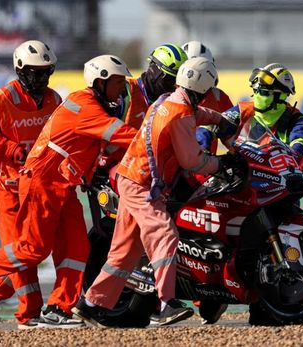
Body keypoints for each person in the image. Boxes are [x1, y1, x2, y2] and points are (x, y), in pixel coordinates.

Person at [0, 54, 139, 329]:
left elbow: (96, 145)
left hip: (65, 185)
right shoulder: (85, 105)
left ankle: (58, 308)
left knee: (78, 248)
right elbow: (121, 135)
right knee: (33, 250)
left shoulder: (74, 101)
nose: (121, 89)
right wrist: (158, 135)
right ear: (100, 82)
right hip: (42, 181)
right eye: (117, 82)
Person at [72, 57, 237, 328]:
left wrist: (218, 119)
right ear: (204, 89)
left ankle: (89, 304)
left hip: (131, 178)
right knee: (164, 233)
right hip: (140, 183)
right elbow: (192, 161)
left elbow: (198, 114)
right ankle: (165, 304)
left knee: (124, 252)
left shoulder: (169, 101)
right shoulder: (180, 112)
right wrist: (223, 162)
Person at [0, 40, 61, 329]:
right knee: (20, 252)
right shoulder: (1, 99)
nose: (40, 79)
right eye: (34, 73)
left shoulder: (54, 100)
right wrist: (12, 150)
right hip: (6, 186)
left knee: (31, 250)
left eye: (45, 72)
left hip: (36, 186)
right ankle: (29, 314)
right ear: (20, 71)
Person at [182, 40, 234, 324]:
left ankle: (210, 291)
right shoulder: (170, 97)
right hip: (176, 173)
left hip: (207, 173)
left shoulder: (219, 97)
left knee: (214, 232)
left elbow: (232, 134)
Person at [197, 63, 303, 156]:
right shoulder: (243, 110)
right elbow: (212, 126)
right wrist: (203, 144)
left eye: (263, 92)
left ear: (281, 96)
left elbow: (300, 142)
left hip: (279, 173)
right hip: (241, 171)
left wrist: (293, 154)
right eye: (256, 91)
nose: (257, 96)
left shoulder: (295, 117)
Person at [122, 43, 188, 130]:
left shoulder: (173, 102)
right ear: (154, 70)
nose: (174, 86)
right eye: (170, 79)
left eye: (178, 82)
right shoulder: (125, 91)